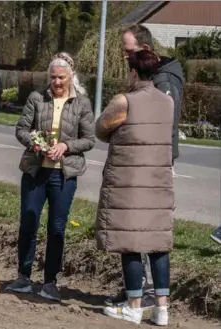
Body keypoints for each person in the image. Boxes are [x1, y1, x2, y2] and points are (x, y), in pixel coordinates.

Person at [106, 23, 185, 310]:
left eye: (129, 52)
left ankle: (145, 295)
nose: (125, 58)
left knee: (143, 231)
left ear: (146, 50)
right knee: (143, 229)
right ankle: (138, 290)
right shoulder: (156, 79)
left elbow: (162, 126)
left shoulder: (164, 83)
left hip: (154, 163)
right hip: (147, 161)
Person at [6, 52, 95, 301]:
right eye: (53, 77)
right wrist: (34, 142)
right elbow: (21, 128)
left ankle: (50, 281)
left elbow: (89, 140)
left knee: (57, 227)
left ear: (70, 77)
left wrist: (66, 147)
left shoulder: (82, 104)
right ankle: (23, 276)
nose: (57, 82)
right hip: (36, 171)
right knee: (29, 222)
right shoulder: (37, 98)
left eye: (61, 78)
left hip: (64, 175)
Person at [95, 50, 174, 326]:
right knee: (158, 244)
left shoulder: (124, 101)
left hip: (129, 183)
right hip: (158, 182)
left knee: (131, 242)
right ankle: (162, 309)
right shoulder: (168, 102)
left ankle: (134, 306)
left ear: (133, 72)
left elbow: (101, 129)